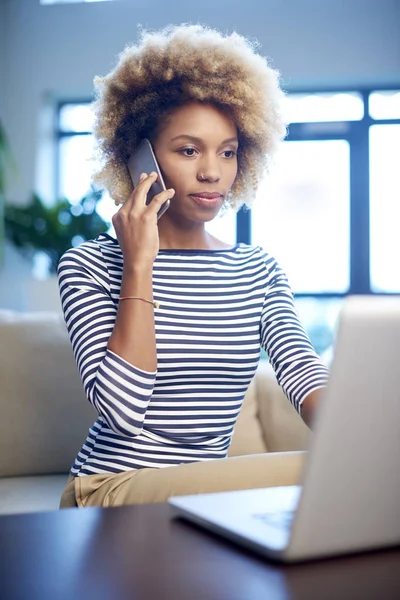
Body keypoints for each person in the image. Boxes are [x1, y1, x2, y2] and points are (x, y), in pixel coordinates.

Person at [58, 24, 329, 509]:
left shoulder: (258, 270)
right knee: (309, 471)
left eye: (227, 152)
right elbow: (121, 410)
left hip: (201, 498)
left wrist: (360, 433)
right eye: (188, 150)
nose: (213, 171)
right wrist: (140, 264)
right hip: (109, 491)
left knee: (341, 467)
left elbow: (304, 374)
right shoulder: (88, 264)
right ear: (139, 157)